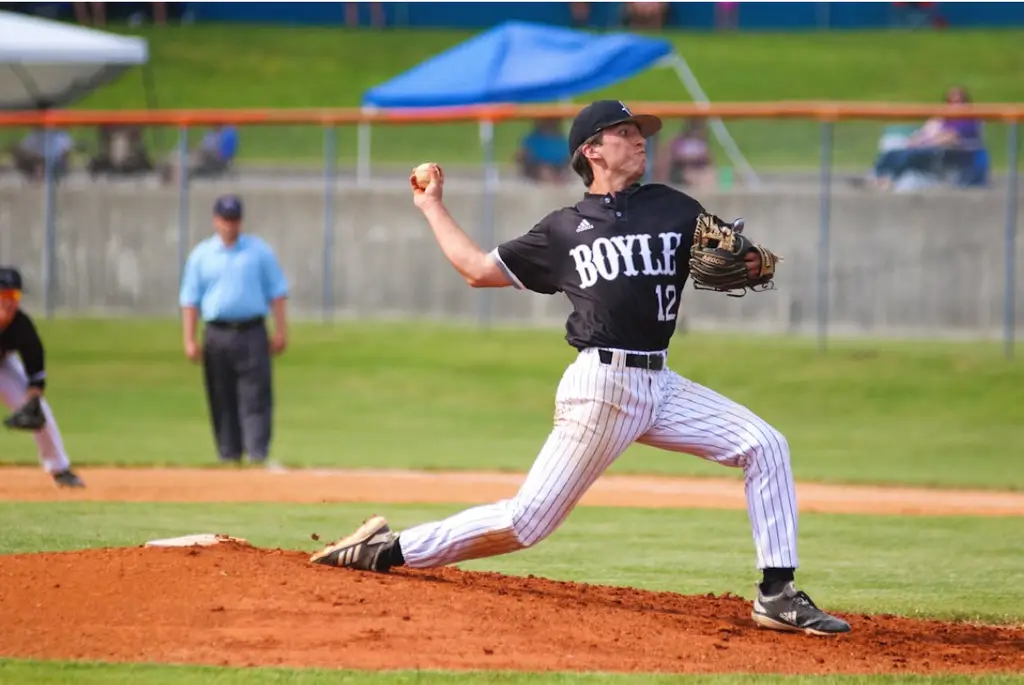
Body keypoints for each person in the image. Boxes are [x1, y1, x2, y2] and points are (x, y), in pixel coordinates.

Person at [309, 100, 851, 637]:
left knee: (766, 445)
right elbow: (477, 270)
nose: (640, 139)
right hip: (602, 387)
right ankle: (389, 548)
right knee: (526, 523)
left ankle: (776, 594)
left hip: (660, 383)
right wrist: (431, 206)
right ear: (591, 150)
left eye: (641, 131)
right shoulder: (563, 230)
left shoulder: (673, 206)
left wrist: (752, 262)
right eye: (624, 132)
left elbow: (736, 257)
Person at [179, 195, 290, 467]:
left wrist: (281, 330)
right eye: (225, 219)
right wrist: (190, 339)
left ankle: (256, 453)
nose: (230, 225)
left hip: (252, 330)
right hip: (217, 332)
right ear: (216, 220)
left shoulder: (258, 252)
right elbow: (190, 300)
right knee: (221, 395)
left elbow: (277, 292)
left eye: (234, 219)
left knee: (256, 395)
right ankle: (228, 454)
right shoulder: (201, 255)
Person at [0, 267, 84, 488]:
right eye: (4, 295)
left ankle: (60, 469)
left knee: (40, 410)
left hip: (2, 367)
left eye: (15, 295)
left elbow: (35, 367)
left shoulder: (21, 325)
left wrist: (32, 397)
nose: (11, 302)